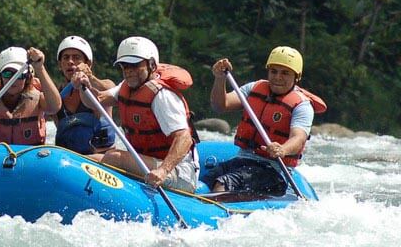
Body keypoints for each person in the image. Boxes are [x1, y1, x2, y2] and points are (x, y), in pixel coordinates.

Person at [75, 36, 199, 192]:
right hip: (149, 163)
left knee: (113, 157)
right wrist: (83, 86)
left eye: (134, 65)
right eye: (124, 66)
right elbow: (95, 101)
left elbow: (185, 138)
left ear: (152, 65)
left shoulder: (162, 96)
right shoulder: (126, 87)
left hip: (180, 173)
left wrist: (163, 170)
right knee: (85, 160)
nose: (128, 71)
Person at [204, 46, 327, 194]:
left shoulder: (302, 105)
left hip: (273, 170)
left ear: (297, 77)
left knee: (223, 184)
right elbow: (220, 106)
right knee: (207, 178)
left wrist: (283, 149)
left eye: (285, 73)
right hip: (243, 160)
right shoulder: (254, 88)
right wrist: (220, 79)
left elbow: (298, 138)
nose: (277, 77)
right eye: (273, 71)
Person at [54, 35, 116, 154]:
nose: (70, 62)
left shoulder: (104, 86)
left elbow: (110, 90)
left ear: (88, 63)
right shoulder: (56, 95)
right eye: (66, 58)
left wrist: (90, 78)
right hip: (69, 159)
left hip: (101, 158)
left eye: (76, 57)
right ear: (60, 65)